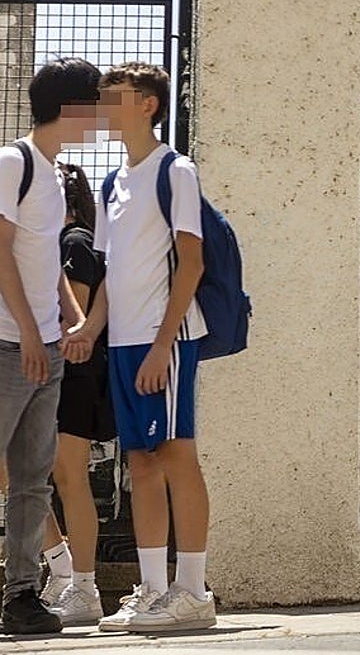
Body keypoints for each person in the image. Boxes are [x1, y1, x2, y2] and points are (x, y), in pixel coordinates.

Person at [61, 62, 216, 632]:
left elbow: (192, 264)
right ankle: (153, 591)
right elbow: (111, 275)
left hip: (164, 339)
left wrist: (160, 346)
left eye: (115, 97)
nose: (104, 108)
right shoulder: (111, 184)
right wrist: (88, 330)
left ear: (148, 104)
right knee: (141, 463)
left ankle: (194, 592)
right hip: (124, 343)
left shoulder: (174, 170)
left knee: (176, 455)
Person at [0, 58, 94, 636]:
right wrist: (31, 334)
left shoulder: (56, 175)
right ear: (73, 109)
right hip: (9, 345)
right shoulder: (14, 163)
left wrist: (73, 317)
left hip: (46, 347)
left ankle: (20, 596)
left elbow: (45, 261)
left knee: (33, 478)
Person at [36, 163, 114, 626]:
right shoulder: (51, 245)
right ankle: (63, 570)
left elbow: (75, 318)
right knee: (20, 473)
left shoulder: (75, 241)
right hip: (50, 375)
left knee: (70, 479)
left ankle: (83, 587)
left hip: (74, 376)